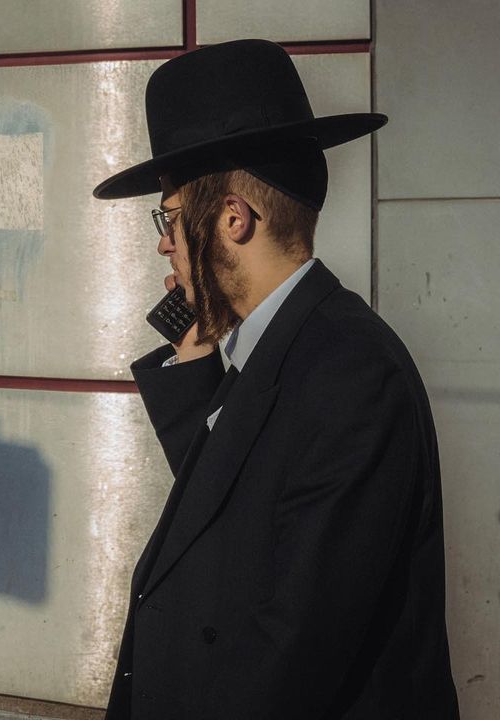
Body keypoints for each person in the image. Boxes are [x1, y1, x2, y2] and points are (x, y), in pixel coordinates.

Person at [93, 40, 459, 719]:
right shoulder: (277, 348)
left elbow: (291, 648)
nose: (164, 244)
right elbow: (237, 526)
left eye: (170, 218)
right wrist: (198, 365)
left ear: (233, 218)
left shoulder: (352, 373)